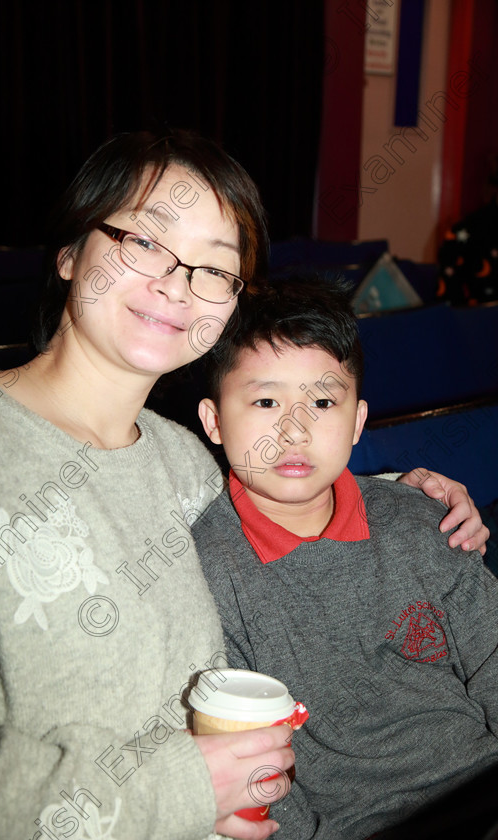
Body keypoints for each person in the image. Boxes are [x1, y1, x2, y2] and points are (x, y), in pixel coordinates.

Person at [0, 130, 489, 840]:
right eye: (145, 241)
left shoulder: (187, 466)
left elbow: (291, 500)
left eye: (214, 269)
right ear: (71, 252)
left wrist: (410, 494)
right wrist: (185, 788)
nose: (178, 284)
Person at [192, 275, 498, 840]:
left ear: (357, 421)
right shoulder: (207, 573)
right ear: (213, 421)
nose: (294, 428)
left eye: (323, 401)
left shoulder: (421, 519)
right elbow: (253, 768)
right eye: (265, 400)